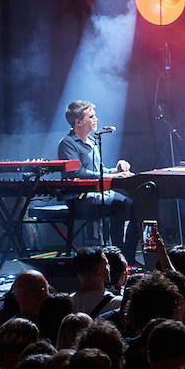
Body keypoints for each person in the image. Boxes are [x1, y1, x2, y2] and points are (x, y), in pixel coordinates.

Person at [58, 99, 137, 262]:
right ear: (78, 122)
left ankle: (124, 255)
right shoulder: (68, 144)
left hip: (98, 193)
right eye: (91, 116)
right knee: (121, 205)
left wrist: (116, 169)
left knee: (133, 206)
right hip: (79, 198)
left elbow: (98, 171)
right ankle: (117, 256)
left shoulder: (92, 142)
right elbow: (76, 173)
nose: (96, 119)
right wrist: (112, 176)